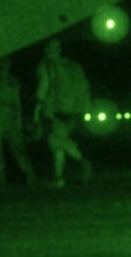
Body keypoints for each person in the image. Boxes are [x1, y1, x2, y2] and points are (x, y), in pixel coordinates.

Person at [34, 38, 92, 189]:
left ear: (47, 50)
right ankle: (59, 178)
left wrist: (36, 110)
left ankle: (83, 162)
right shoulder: (72, 65)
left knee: (57, 141)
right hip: (74, 109)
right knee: (59, 143)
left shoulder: (46, 65)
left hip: (56, 108)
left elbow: (43, 88)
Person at [0, 57, 38, 186]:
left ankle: (30, 174)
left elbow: (16, 100)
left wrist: (19, 120)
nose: (5, 65)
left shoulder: (13, 80)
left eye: (7, 63)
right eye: (2, 63)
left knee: (18, 146)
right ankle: (0, 175)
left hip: (10, 115)